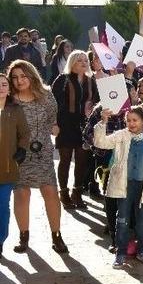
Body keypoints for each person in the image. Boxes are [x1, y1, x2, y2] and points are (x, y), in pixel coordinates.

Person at [94, 105, 143, 267]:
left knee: (142, 220)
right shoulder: (121, 135)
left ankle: (142, 250)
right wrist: (103, 122)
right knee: (122, 219)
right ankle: (120, 253)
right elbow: (101, 142)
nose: (131, 124)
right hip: (124, 185)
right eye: (128, 120)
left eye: (135, 120)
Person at [8, 60, 67, 254]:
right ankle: (23, 236)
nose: (19, 80)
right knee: (21, 193)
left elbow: (53, 119)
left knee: (50, 191)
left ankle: (56, 236)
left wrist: (55, 127)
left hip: (42, 152)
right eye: (15, 77)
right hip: (17, 153)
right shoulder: (9, 98)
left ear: (31, 75)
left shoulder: (46, 95)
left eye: (23, 76)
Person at [51, 50, 96, 210]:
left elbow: (97, 101)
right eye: (79, 60)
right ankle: (63, 193)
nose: (84, 63)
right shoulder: (62, 79)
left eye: (85, 60)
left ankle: (77, 193)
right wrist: (54, 123)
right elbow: (52, 103)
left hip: (85, 125)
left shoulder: (91, 80)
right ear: (72, 62)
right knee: (65, 160)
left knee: (82, 161)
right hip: (65, 124)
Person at [0, 73, 30, 258]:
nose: (1, 88)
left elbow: (25, 133)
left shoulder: (15, 110)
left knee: (2, 206)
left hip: (7, 168)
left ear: (9, 88)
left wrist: (22, 150)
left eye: (4, 84)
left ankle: (1, 240)